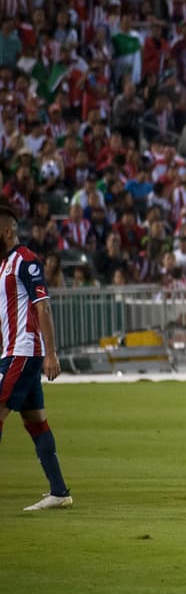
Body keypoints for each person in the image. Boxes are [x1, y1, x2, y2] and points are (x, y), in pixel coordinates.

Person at [0, 203, 73, 511]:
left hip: (23, 351)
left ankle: (59, 491)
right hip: (13, 351)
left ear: (6, 229)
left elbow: (43, 307)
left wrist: (51, 354)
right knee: (35, 421)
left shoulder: (26, 261)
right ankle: (59, 492)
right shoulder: (3, 264)